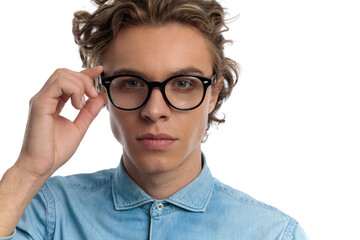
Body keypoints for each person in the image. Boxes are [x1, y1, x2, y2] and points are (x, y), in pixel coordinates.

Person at [0, 0, 308, 239]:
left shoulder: (275, 234)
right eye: (132, 83)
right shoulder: (44, 212)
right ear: (101, 91)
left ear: (213, 93)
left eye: (183, 83)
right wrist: (28, 170)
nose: (155, 110)